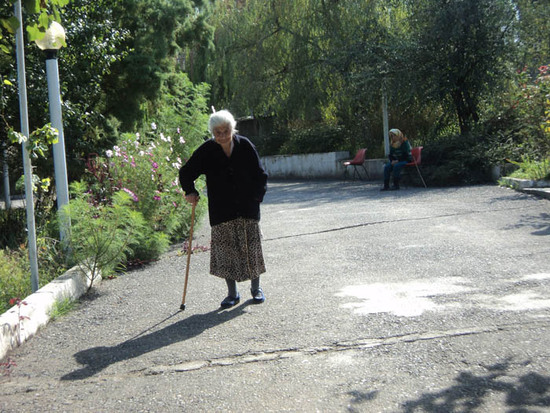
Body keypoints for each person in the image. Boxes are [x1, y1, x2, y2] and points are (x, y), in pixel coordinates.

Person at [179, 110, 268, 308]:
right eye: (217, 132)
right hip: (221, 210)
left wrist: (256, 197)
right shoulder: (207, 150)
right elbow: (186, 172)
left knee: (251, 249)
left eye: (225, 130)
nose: (222, 135)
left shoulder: (245, 146)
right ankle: (232, 293)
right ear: (212, 132)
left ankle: (256, 289)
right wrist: (190, 191)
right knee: (227, 253)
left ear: (232, 128)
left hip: (247, 208)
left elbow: (260, 174)